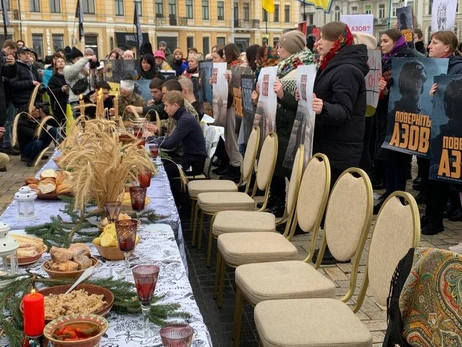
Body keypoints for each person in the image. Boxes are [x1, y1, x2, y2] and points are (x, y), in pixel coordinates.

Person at [311, 22, 369, 263]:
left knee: (338, 202)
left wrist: (323, 107)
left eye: (322, 38)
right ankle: (331, 245)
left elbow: (344, 111)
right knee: (331, 200)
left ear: (337, 42)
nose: (317, 43)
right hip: (332, 144)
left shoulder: (346, 69)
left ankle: (337, 250)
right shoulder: (334, 65)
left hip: (340, 147)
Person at [373, 29, 420, 213]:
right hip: (387, 115)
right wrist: (383, 90)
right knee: (387, 158)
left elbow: (410, 90)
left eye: (385, 41)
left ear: (396, 42)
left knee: (398, 159)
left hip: (402, 116)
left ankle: (398, 198)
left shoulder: (408, 60)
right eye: (381, 41)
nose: (382, 44)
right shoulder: (386, 60)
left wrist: (389, 90)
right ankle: (390, 194)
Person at [268, 30, 313, 216]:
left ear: (291, 48)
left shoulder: (304, 68)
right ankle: (277, 201)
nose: (278, 49)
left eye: (282, 46)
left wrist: (281, 94)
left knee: (291, 170)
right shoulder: (284, 66)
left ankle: (294, 210)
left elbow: (301, 102)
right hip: (280, 123)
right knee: (275, 165)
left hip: (293, 125)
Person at [421, 31, 462, 235]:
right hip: (433, 129)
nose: (429, 46)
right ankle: (430, 215)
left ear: (447, 47)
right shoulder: (434, 66)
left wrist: (439, 95)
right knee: (431, 175)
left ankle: (435, 220)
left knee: (440, 176)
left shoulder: (457, 68)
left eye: (434, 43)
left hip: (448, 132)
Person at [152, 91, 206, 179]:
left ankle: (176, 192)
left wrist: (153, 140)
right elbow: (169, 138)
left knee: (160, 171)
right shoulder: (182, 117)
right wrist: (154, 139)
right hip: (187, 158)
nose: (165, 109)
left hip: (194, 164)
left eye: (166, 106)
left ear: (175, 106)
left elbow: (170, 144)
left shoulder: (185, 120)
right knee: (159, 165)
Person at [63, 47, 95, 118]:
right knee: (80, 122)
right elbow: (73, 71)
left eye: (81, 58)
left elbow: (91, 84)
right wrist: (85, 59)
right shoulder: (67, 68)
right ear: (73, 60)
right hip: (76, 100)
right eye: (78, 59)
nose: (80, 61)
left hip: (87, 99)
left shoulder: (85, 70)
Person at [0, 40, 18, 156]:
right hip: (3, 94)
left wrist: (12, 65)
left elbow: (8, 73)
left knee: (2, 122)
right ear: (9, 48)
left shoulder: (4, 58)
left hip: (2, 94)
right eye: (14, 51)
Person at [10, 46, 42, 111]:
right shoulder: (16, 67)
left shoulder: (32, 66)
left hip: (34, 99)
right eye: (24, 54)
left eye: (28, 53)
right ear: (18, 56)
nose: (27, 55)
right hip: (22, 102)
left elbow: (38, 80)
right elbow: (13, 83)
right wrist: (31, 83)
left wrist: (40, 88)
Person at [47, 56, 69, 125]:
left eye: (62, 61)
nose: (61, 63)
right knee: (62, 124)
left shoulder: (69, 76)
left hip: (69, 103)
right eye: (58, 62)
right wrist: (61, 89)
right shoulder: (53, 78)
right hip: (59, 105)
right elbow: (49, 91)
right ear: (56, 66)